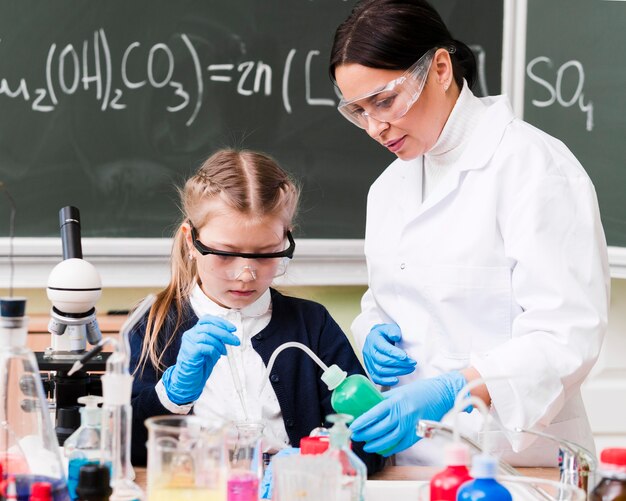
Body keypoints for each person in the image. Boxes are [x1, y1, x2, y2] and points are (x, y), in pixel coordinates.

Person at [329, 0, 609, 466]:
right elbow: (394, 297)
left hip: (516, 460)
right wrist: (374, 327)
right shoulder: (387, 189)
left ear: (440, 68)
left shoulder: (533, 167)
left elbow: (566, 336)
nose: (375, 127)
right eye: (358, 111)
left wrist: (456, 386)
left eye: (384, 101)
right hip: (414, 459)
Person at [127, 149, 384, 476]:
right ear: (191, 242)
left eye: (265, 255)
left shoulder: (312, 326)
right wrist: (171, 396)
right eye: (226, 254)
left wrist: (330, 456)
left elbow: (372, 440)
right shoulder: (151, 327)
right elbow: (127, 451)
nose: (246, 274)